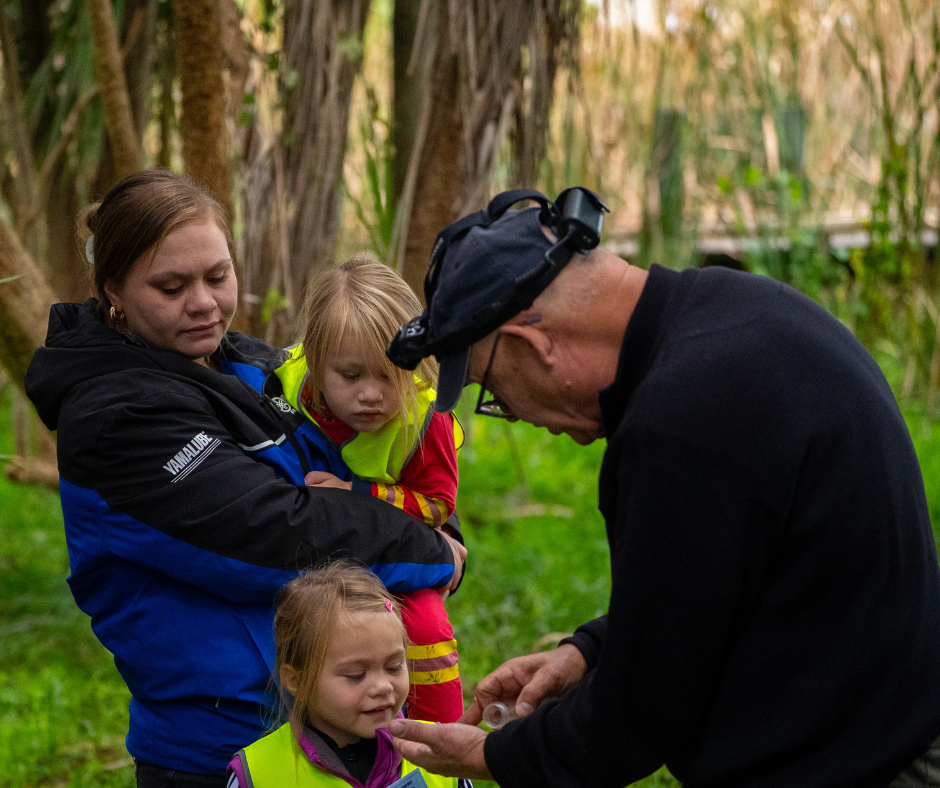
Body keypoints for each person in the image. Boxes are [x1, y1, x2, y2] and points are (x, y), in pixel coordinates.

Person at [383, 188, 940, 787]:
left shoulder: (679, 428)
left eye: (495, 395)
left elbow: (643, 713)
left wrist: (490, 756)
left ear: (533, 343)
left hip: (863, 765)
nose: (517, 414)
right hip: (894, 718)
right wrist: (591, 652)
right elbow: (708, 592)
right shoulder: (730, 310)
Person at [23, 170, 466, 787]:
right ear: (113, 290)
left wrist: (426, 521)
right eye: (171, 286)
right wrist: (427, 548)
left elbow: (380, 467)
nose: (204, 302)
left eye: (217, 276)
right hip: (221, 742)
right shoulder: (113, 413)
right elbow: (273, 536)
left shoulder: (259, 368)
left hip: (354, 731)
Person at [269, 254, 465, 723]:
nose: (372, 394)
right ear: (314, 359)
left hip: (397, 547)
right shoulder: (285, 389)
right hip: (311, 555)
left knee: (426, 622)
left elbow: (438, 507)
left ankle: (438, 739)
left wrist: (356, 492)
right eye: (351, 375)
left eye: (388, 374)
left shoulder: (425, 421)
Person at [226, 561, 464, 788]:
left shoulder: (438, 752)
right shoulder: (256, 774)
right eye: (355, 675)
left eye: (393, 667)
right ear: (295, 680)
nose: (383, 686)